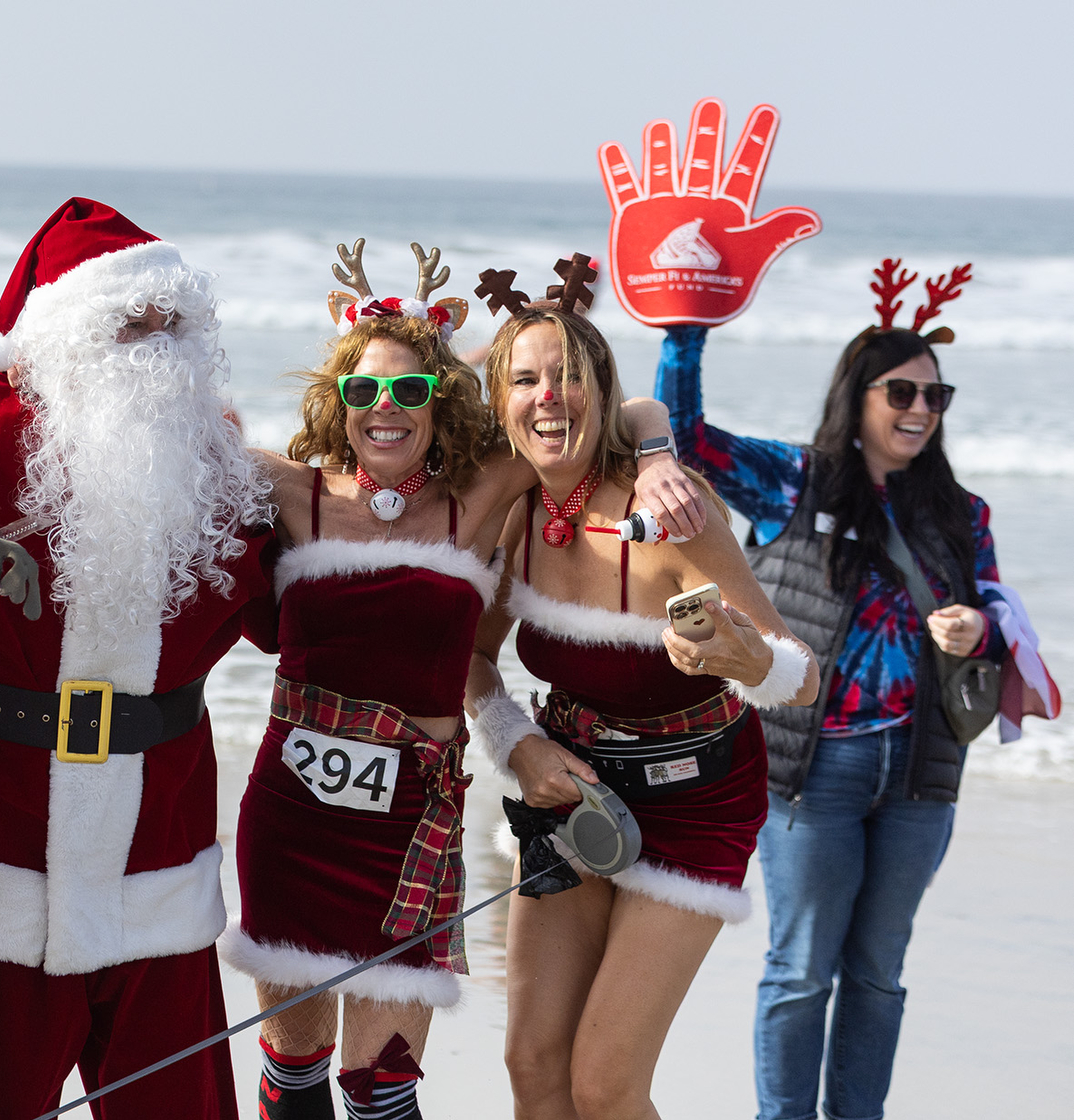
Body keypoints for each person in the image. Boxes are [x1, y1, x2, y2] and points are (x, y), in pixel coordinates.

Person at [222, 242, 704, 1120]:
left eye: (411, 390)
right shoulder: (290, 490)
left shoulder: (482, 495)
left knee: (382, 1091)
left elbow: (618, 409)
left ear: (440, 402)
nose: (386, 409)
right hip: (292, 812)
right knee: (294, 1077)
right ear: (340, 401)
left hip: (412, 816)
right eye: (365, 391)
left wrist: (663, 457)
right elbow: (178, 456)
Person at [0, 198, 274, 1120]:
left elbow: (305, 613)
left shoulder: (214, 458)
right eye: (126, 317)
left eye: (172, 319)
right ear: (59, 327)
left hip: (158, 849)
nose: (154, 338)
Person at [649, 267, 1029, 1120]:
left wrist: (974, 629)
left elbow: (996, 617)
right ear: (859, 395)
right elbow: (683, 442)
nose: (922, 408)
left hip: (921, 775)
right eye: (903, 390)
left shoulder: (962, 513)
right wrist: (685, 333)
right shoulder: (796, 482)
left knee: (878, 972)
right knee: (799, 967)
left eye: (937, 394)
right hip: (814, 769)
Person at [465, 292, 819, 1120]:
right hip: (571, 787)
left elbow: (802, 677)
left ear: (602, 386)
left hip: (698, 797)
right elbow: (475, 662)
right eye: (525, 380)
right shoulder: (506, 509)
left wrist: (748, 659)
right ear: (501, 401)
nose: (548, 395)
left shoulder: (671, 508)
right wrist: (519, 747)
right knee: (531, 1063)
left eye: (570, 377)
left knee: (605, 1084)